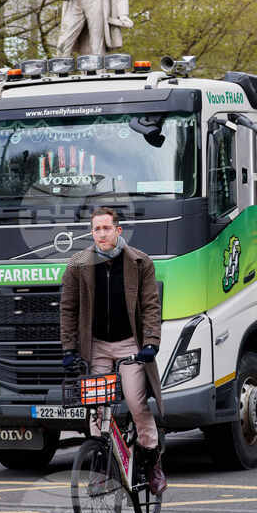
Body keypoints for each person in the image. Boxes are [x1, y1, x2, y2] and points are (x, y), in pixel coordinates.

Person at [60, 207, 166, 495]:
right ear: (91, 233)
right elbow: (68, 309)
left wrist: (150, 344)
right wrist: (69, 348)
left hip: (130, 344)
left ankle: (152, 461)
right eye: (96, 229)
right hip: (97, 347)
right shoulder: (77, 264)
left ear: (118, 231)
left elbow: (151, 307)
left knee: (135, 402)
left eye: (107, 228)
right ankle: (101, 468)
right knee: (97, 409)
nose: (101, 234)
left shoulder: (140, 262)